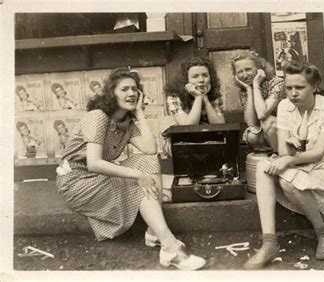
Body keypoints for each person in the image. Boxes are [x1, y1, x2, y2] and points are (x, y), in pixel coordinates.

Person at [55, 67, 206, 270]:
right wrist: (138, 175)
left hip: (98, 179)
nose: (131, 93)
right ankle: (169, 246)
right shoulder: (98, 116)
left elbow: (151, 150)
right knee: (137, 182)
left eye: (135, 89)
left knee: (148, 162)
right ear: (111, 94)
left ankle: (154, 231)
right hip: (77, 182)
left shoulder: (126, 122)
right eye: (124, 89)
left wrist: (140, 113)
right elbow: (93, 163)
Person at [243, 61, 324, 270]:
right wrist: (289, 150)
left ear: (314, 87)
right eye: (289, 88)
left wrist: (289, 160)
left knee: (287, 180)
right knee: (264, 167)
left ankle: (323, 232)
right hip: (300, 165)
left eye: (300, 87)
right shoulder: (284, 106)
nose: (293, 93)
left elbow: (318, 153)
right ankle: (269, 243)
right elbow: (282, 151)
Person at [231, 51, 285, 152]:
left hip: (287, 130)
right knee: (252, 135)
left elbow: (262, 114)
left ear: (260, 69)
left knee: (268, 121)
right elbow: (251, 123)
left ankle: (280, 155)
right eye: (240, 72)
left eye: (248, 69)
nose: (244, 75)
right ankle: (271, 154)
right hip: (268, 132)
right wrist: (249, 90)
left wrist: (256, 86)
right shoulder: (245, 90)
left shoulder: (277, 83)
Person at [164, 57, 225, 125]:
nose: (201, 80)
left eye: (205, 75)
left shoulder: (215, 95)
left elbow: (219, 126)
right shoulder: (174, 96)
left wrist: (206, 100)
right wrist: (198, 97)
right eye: (195, 76)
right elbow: (188, 125)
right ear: (186, 80)